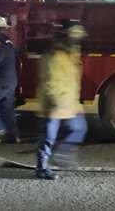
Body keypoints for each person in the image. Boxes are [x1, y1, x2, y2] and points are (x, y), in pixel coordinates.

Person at [35, 19, 88, 180]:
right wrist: (55, 104)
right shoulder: (55, 54)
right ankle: (42, 168)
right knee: (48, 137)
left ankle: (62, 155)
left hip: (68, 102)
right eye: (75, 35)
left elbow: (71, 79)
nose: (77, 39)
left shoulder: (71, 51)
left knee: (79, 128)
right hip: (54, 103)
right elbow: (50, 79)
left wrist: (74, 102)